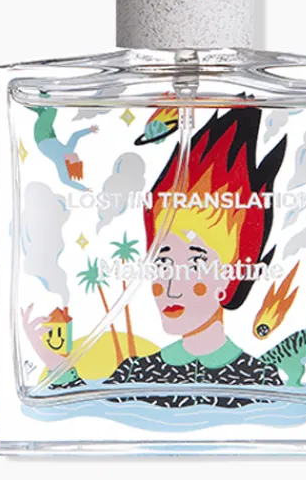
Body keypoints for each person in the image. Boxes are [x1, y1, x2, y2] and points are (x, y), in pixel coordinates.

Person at [105, 107, 288, 408]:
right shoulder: (134, 375)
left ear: (233, 275)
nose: (171, 287)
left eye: (195, 264)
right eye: (163, 263)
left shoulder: (260, 381)